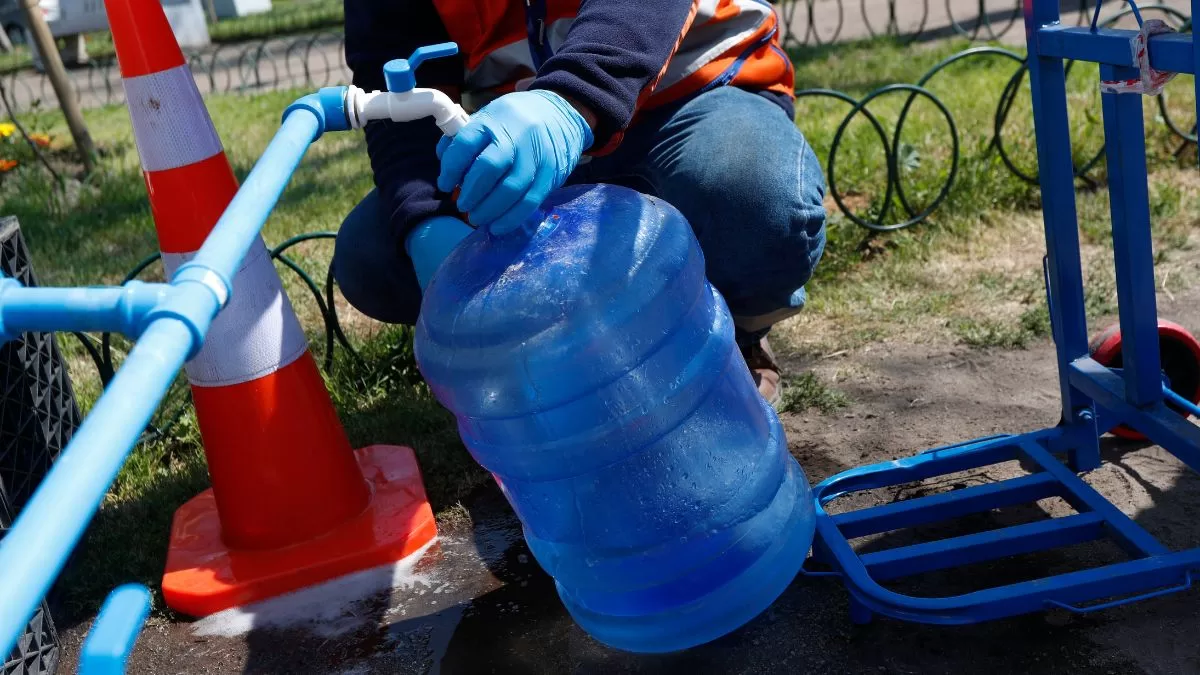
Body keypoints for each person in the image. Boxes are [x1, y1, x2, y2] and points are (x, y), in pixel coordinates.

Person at [334, 0, 827, 407]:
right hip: (524, 132)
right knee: (374, 254)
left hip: (691, 97)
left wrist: (572, 100)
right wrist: (428, 220)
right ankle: (557, 356)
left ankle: (729, 325)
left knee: (751, 196)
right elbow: (397, 74)